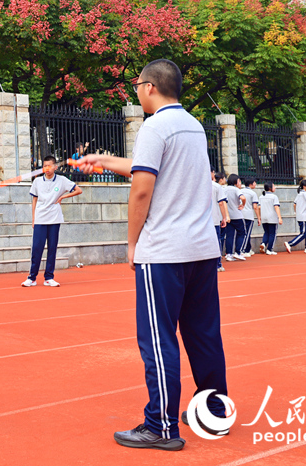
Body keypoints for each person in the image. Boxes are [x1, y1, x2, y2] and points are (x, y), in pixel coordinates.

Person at [79, 59, 228, 451]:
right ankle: (214, 410)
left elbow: (143, 189)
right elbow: (150, 169)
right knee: (203, 333)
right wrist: (106, 161)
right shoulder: (192, 125)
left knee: (158, 339)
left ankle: (160, 425)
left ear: (149, 87)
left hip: (163, 251)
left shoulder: (154, 125)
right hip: (201, 249)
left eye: (136, 86)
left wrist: (132, 244)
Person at [23, 155, 82, 287]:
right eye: (44, 166)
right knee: (37, 248)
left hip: (54, 219)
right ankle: (32, 278)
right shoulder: (37, 181)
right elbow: (34, 200)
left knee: (52, 248)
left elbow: (79, 190)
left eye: (49, 166)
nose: (47, 168)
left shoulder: (61, 180)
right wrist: (33, 219)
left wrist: (63, 197)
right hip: (40, 219)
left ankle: (49, 277)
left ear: (55, 167)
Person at [286, 179, 306, 254]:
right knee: (303, 233)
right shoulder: (304, 194)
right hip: (303, 217)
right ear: (304, 186)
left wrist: (296, 212)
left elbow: (294, 204)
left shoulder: (299, 194)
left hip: (301, 216)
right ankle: (290, 243)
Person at [223, 174, 247, 262]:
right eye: (239, 181)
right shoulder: (236, 189)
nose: (240, 183)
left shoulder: (224, 189)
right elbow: (243, 197)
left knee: (230, 235)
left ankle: (229, 253)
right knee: (242, 233)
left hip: (227, 215)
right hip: (237, 215)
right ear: (235, 182)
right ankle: (238, 251)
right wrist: (243, 204)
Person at [211, 170, 229, 272]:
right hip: (213, 219)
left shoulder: (194, 184)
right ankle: (217, 264)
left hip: (199, 220)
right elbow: (221, 203)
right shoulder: (216, 186)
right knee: (216, 242)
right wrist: (224, 218)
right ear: (212, 173)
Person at [258, 183, 282, 255]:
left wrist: (259, 217)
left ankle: (263, 243)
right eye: (274, 186)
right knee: (272, 233)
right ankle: (270, 249)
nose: (275, 188)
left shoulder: (261, 197)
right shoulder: (274, 197)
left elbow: (259, 207)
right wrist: (279, 217)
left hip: (264, 217)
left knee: (266, 232)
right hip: (272, 217)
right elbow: (276, 207)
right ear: (270, 188)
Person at [240, 177, 261, 257]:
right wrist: (258, 218)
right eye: (255, 183)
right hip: (248, 215)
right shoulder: (252, 193)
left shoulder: (240, 191)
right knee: (247, 233)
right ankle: (243, 250)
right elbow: (255, 207)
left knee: (242, 233)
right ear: (251, 184)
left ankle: (248, 249)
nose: (255, 184)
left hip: (240, 215)